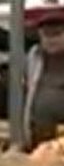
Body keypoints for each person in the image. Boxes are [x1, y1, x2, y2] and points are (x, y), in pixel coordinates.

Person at [25, 16, 64, 148]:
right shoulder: (34, 57)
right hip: (38, 131)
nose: (51, 40)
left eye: (57, 34)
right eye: (46, 35)